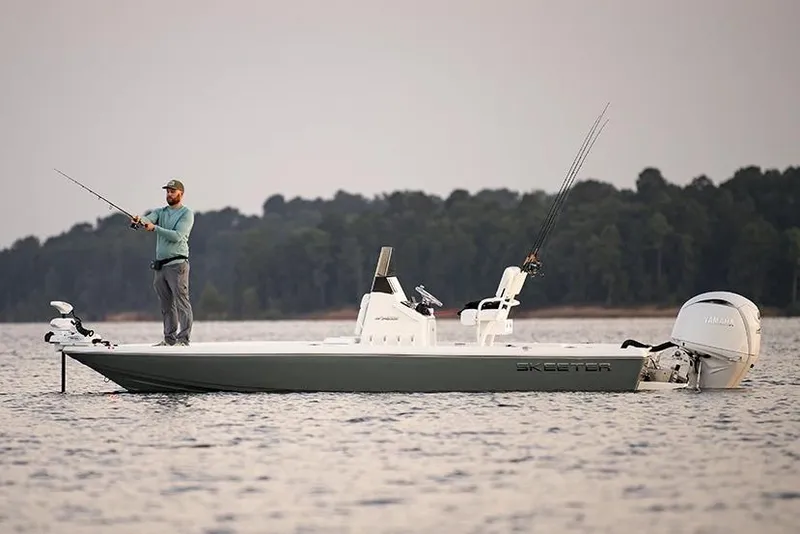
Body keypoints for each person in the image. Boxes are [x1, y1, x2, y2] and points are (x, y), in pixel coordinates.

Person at [131, 179, 195, 346]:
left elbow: (177, 236)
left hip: (178, 265)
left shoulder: (186, 214)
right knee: (166, 306)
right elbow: (148, 218)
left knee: (182, 303)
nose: (169, 194)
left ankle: (183, 339)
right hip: (161, 266)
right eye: (167, 191)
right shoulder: (160, 212)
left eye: (173, 191)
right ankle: (169, 340)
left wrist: (155, 228)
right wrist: (139, 220)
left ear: (181, 193)